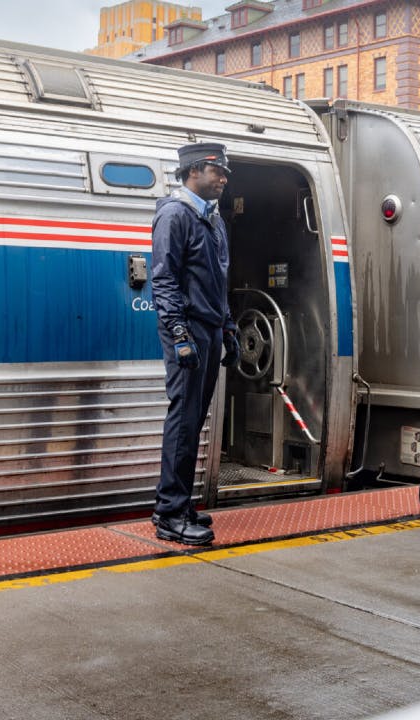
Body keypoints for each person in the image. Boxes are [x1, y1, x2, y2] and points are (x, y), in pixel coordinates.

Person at [149, 142, 239, 546]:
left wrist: (229, 328)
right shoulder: (174, 215)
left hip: (210, 329)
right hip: (186, 330)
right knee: (183, 421)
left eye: (223, 173)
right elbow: (164, 279)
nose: (222, 179)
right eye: (216, 171)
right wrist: (179, 334)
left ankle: (181, 503)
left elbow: (219, 283)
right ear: (193, 171)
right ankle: (169, 514)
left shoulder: (214, 221)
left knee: (193, 421)